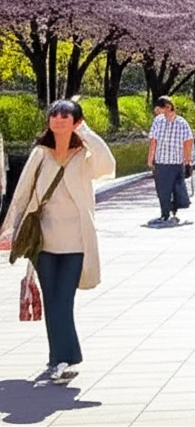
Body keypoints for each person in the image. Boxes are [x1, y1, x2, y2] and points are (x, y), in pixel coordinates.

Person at [0, 100, 115, 382]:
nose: (59, 119)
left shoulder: (84, 156)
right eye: (55, 114)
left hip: (76, 241)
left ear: (76, 121)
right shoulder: (40, 153)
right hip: (44, 242)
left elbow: (108, 165)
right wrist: (10, 229)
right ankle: (61, 359)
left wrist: (85, 132)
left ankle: (62, 358)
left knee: (62, 299)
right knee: (53, 300)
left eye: (66, 115)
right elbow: (23, 192)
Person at [146, 96, 194, 223]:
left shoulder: (182, 123)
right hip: (161, 160)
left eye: (160, 109)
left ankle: (174, 207)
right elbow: (153, 140)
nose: (158, 112)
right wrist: (150, 158)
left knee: (176, 187)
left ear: (168, 107)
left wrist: (188, 159)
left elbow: (188, 141)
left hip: (176, 161)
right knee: (162, 189)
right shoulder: (158, 121)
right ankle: (165, 212)